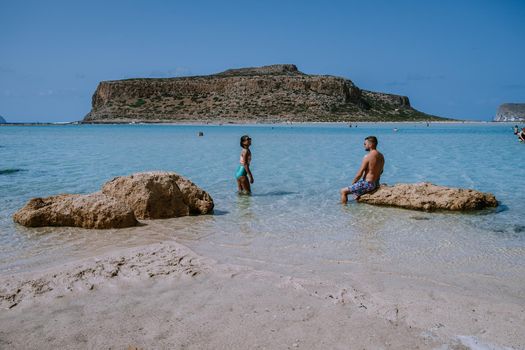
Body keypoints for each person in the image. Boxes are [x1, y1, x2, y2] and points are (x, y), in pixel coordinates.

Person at [340, 136, 385, 203]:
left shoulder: (367, 156)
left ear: (370, 144)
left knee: (343, 191)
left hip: (367, 184)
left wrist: (353, 184)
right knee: (357, 193)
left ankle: (344, 209)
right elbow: (381, 171)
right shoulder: (381, 156)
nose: (364, 145)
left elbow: (359, 173)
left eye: (365, 144)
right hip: (375, 184)